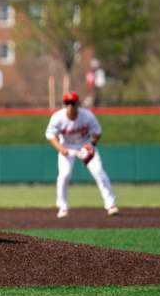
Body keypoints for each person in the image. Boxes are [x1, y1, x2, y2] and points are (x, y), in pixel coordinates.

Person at [46, 90, 118, 218]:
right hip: (67, 146)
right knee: (64, 175)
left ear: (78, 104)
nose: (70, 106)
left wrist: (91, 145)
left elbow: (97, 132)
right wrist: (60, 148)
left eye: (72, 103)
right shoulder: (58, 117)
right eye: (67, 103)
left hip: (85, 145)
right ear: (64, 104)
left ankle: (110, 204)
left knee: (99, 172)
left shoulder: (87, 116)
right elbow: (50, 135)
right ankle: (63, 206)